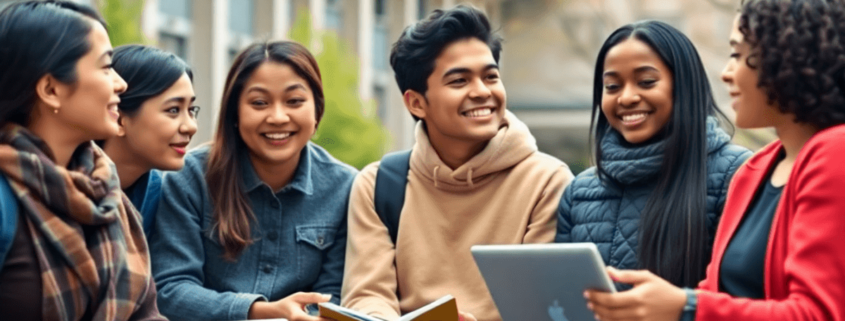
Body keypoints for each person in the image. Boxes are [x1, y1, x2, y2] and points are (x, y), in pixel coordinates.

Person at [585, 1, 845, 320]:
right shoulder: (753, 171)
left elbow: (818, 312)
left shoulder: (836, 153)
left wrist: (685, 306)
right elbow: (716, 292)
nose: (725, 74)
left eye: (737, 54)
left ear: (790, 55)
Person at [341, 5, 574, 321]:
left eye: (490, 76)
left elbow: (539, 307)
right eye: (459, 81)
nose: (482, 92)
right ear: (417, 103)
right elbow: (367, 296)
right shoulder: (378, 184)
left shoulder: (547, 181)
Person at [150, 41, 357, 321]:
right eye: (259, 103)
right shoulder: (189, 177)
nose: (278, 117)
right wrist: (258, 312)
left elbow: (333, 298)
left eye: (294, 101)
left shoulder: (346, 187)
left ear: (317, 109)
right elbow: (170, 290)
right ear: (235, 112)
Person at [555, 20, 751, 290]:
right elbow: (563, 298)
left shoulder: (737, 174)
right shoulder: (579, 192)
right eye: (612, 86)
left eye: (646, 82)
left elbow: (741, 297)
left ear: (683, 86)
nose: (626, 97)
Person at [0, 1, 165, 320]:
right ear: (51, 89)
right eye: (105, 68)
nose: (121, 83)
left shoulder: (106, 190)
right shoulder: (6, 198)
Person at [100, 44, 198, 237]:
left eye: (192, 110)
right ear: (118, 118)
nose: (191, 126)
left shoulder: (165, 197)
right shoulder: (63, 188)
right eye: (173, 110)